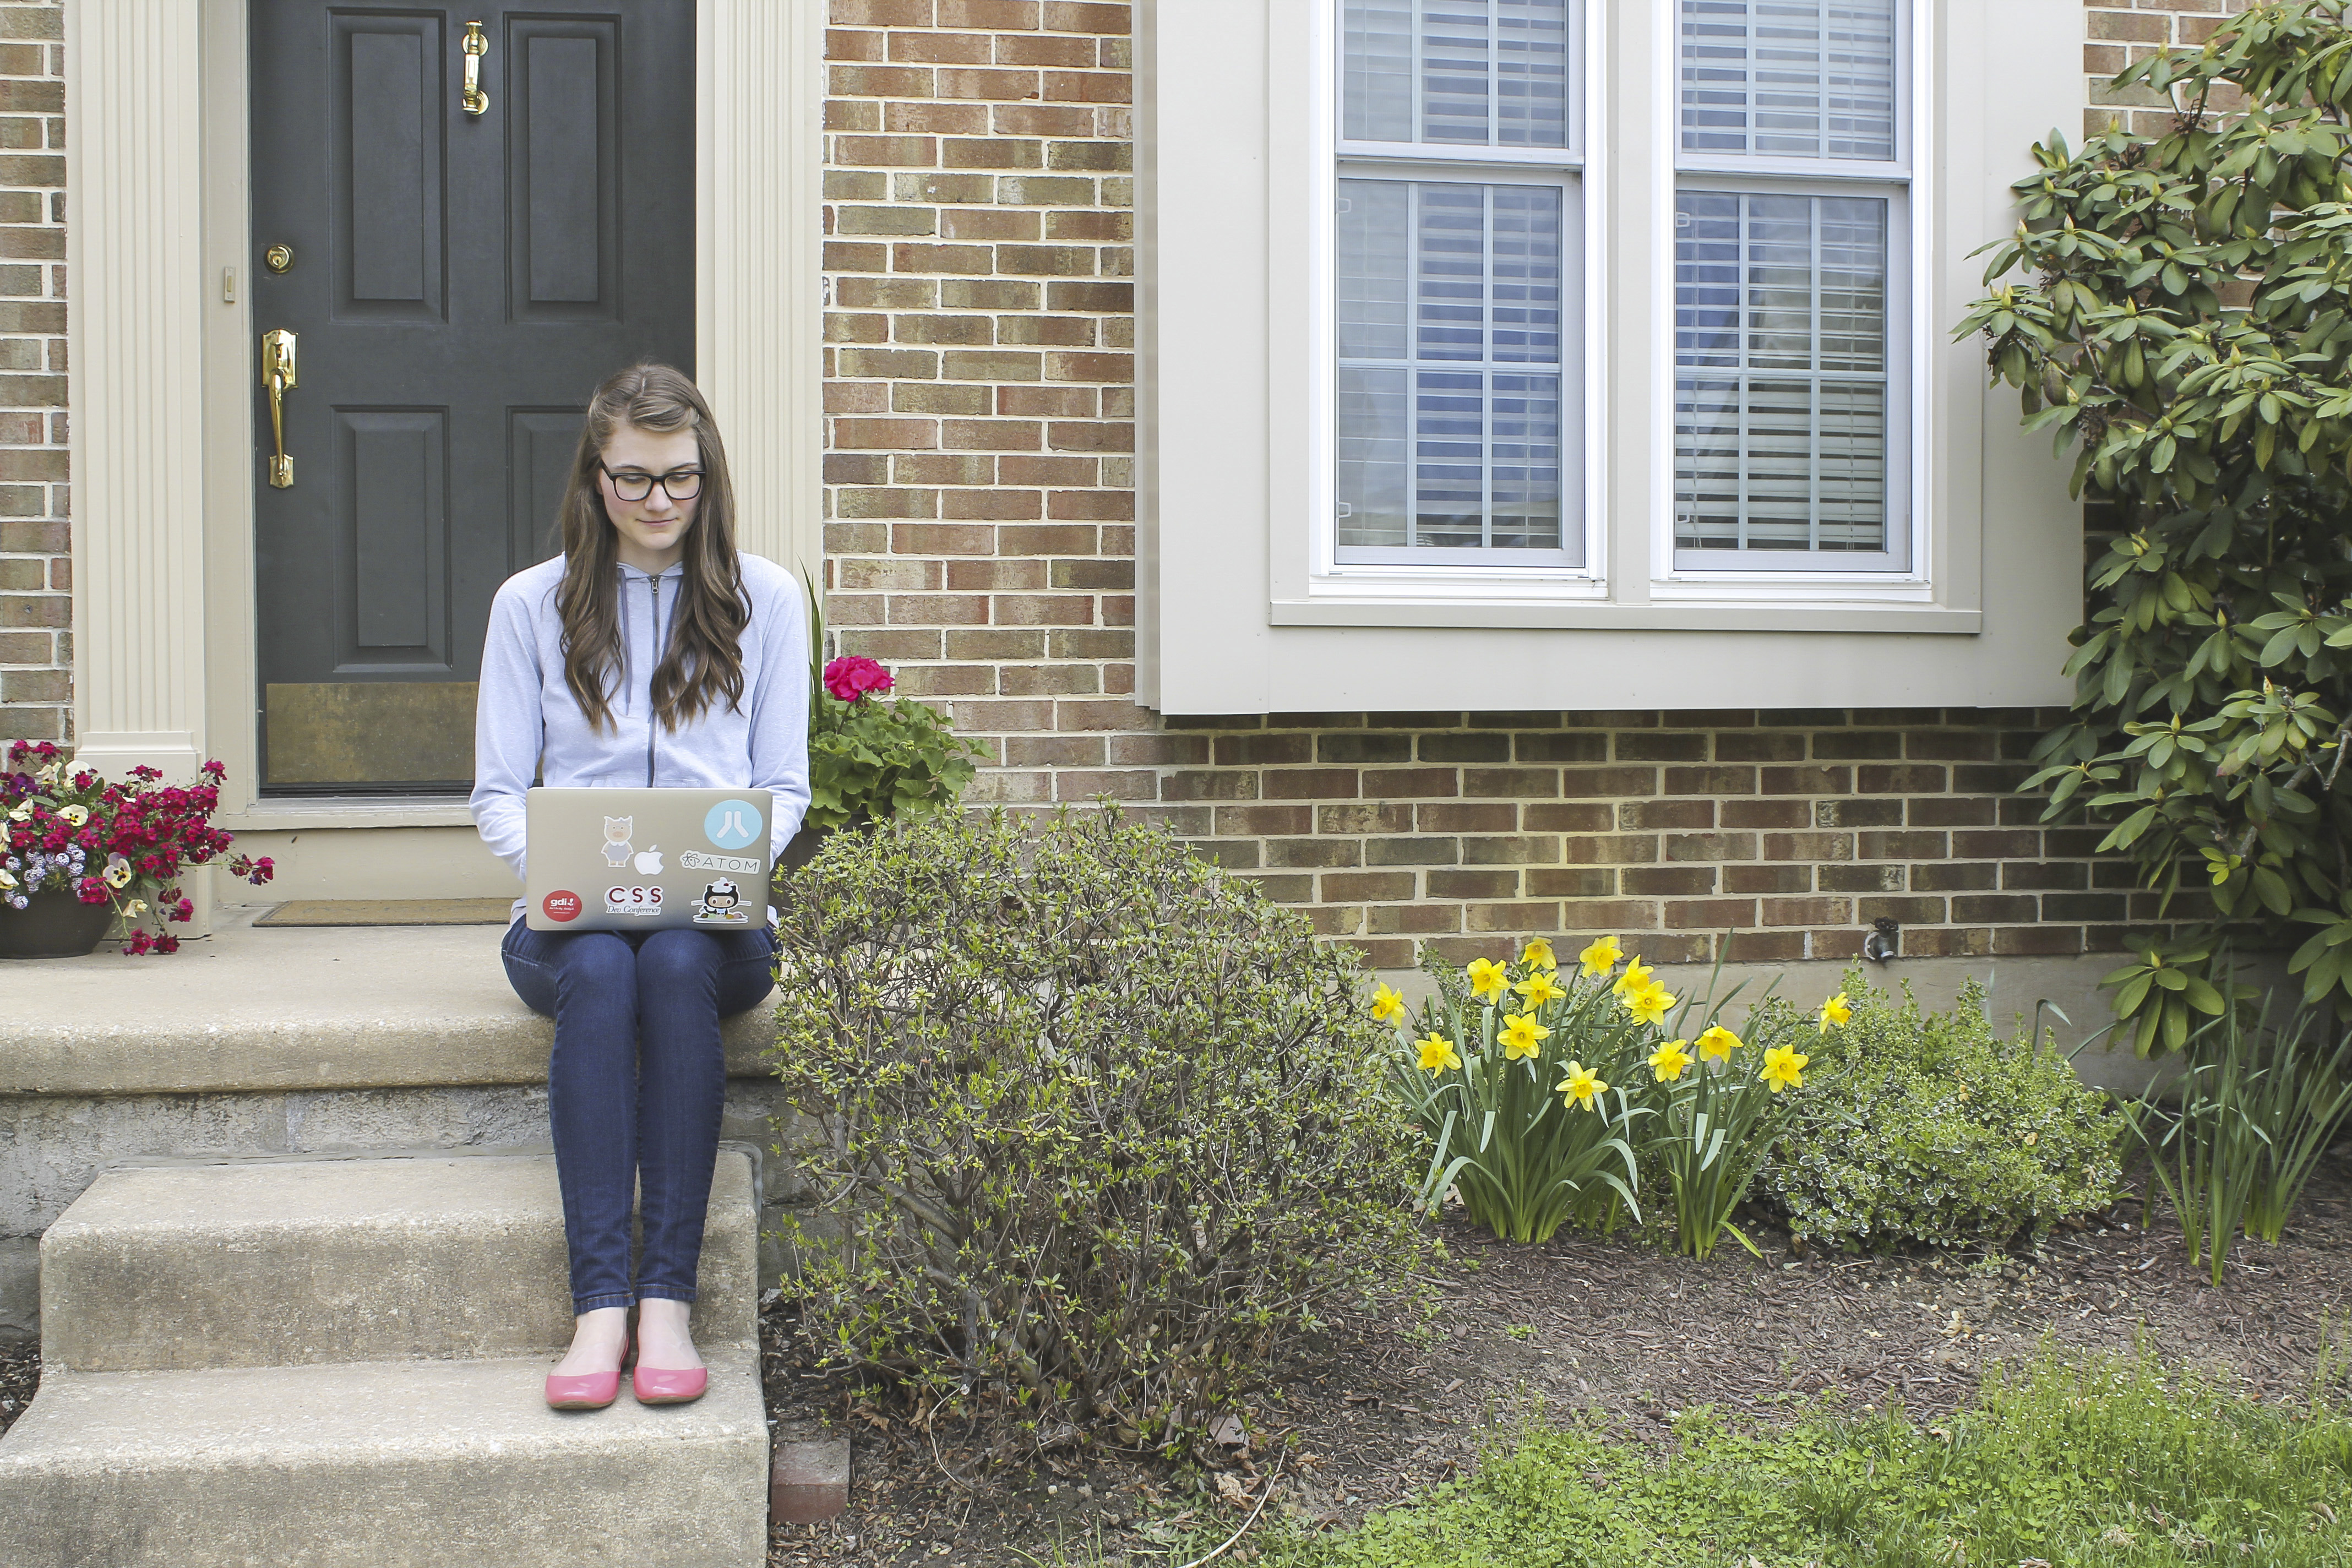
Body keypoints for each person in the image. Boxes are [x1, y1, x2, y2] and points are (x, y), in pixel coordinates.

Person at [470, 363, 809, 1411]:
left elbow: (784, 786)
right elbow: (496, 794)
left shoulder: (765, 601)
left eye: (679, 480)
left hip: (712, 924)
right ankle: (601, 1307)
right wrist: (564, 876)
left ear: (708, 477)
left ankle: (666, 1300)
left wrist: (735, 856)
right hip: (568, 925)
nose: (658, 504)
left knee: (667, 959)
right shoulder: (533, 605)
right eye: (632, 480)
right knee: (608, 970)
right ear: (593, 477)